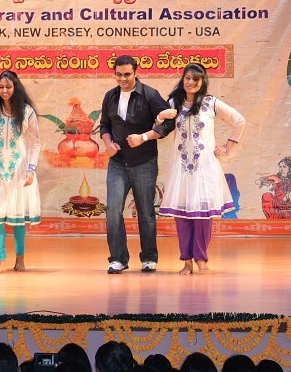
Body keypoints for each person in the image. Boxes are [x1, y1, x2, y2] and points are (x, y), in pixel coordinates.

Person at [154, 64, 245, 274]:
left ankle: (201, 259)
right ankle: (186, 261)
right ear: (182, 79)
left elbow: (239, 121)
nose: (191, 82)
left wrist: (228, 146)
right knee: (183, 216)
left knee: (203, 216)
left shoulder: (211, 103)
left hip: (205, 168)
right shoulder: (173, 103)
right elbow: (158, 127)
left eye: (196, 79)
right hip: (182, 168)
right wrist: (160, 117)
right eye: (188, 78)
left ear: (202, 81)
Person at [99, 55, 170, 274]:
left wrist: (144, 137)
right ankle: (118, 259)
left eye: (127, 74)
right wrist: (108, 143)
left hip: (144, 162)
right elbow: (104, 126)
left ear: (136, 72)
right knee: (112, 211)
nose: (123, 79)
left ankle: (149, 258)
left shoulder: (150, 94)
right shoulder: (110, 96)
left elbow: (167, 124)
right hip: (118, 162)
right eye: (118, 74)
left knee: (146, 212)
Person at [0, 70, 42, 274]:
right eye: (1, 87)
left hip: (19, 169)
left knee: (17, 214)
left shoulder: (27, 111)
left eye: (8, 87)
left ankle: (20, 259)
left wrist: (31, 169)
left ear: (16, 88)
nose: (4, 91)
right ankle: (1, 260)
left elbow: (35, 143)